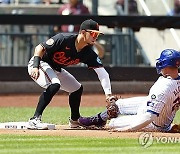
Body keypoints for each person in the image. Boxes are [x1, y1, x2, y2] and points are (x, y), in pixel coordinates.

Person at [27, 19, 115, 130]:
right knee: (55, 84)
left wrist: (108, 94)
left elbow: (102, 73)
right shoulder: (64, 39)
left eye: (97, 34)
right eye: (93, 33)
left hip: (56, 69)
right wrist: (35, 66)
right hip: (40, 64)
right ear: (83, 32)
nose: (95, 37)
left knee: (76, 88)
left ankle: (75, 120)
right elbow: (40, 48)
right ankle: (34, 119)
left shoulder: (88, 53)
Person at [79, 49, 180, 133]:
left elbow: (150, 116)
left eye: (162, 62)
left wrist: (128, 129)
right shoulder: (175, 79)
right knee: (117, 105)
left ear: (166, 64)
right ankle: (99, 119)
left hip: (154, 124)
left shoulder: (163, 87)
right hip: (161, 112)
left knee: (113, 123)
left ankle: (168, 127)